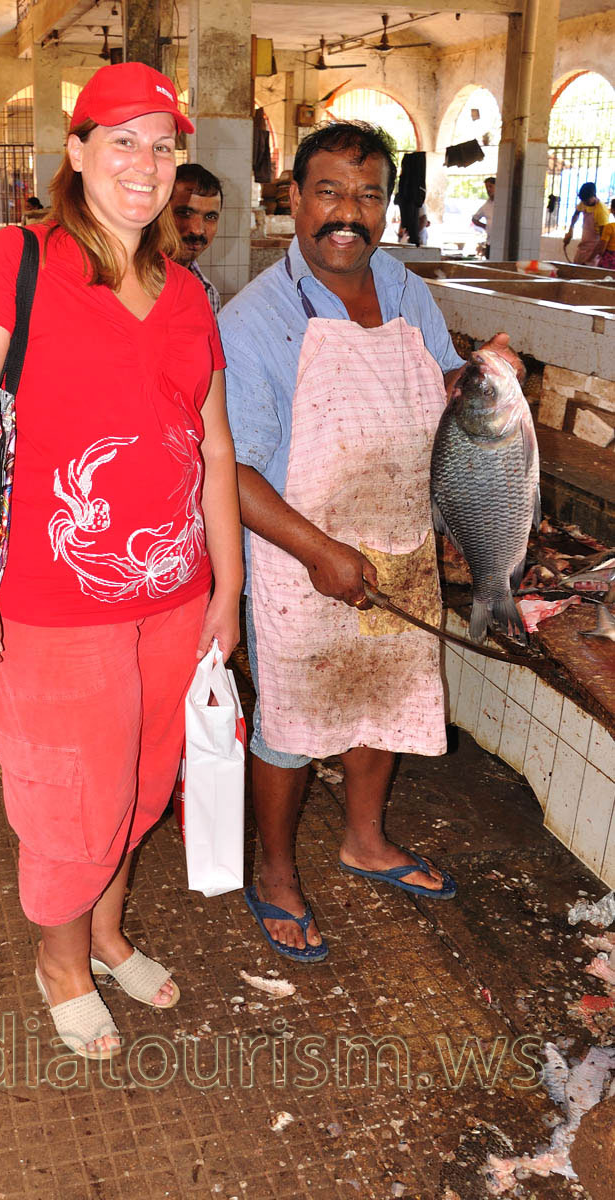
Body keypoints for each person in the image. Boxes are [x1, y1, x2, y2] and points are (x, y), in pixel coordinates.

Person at [0, 61, 242, 1058]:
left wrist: (226, 585)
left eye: (161, 144)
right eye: (120, 140)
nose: (144, 164)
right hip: (44, 605)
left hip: (171, 596)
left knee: (142, 786)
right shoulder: (10, 265)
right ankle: (57, 959)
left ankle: (103, 934)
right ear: (77, 152)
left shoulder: (186, 290)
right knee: (72, 796)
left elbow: (215, 449)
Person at [219, 121, 521, 962]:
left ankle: (363, 840)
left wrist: (483, 376)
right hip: (294, 555)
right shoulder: (254, 321)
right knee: (287, 723)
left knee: (382, 698)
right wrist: (317, 551)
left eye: (367, 195)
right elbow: (232, 470)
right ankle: (276, 874)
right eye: (327, 192)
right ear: (292, 201)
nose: (346, 214)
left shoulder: (399, 283)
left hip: (394, 536)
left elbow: (436, 388)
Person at [169, 163, 222, 315]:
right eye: (185, 213)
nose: (197, 230)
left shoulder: (208, 295)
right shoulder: (130, 285)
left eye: (210, 217)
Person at [564, 182, 609, 265]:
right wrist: (571, 229)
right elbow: (576, 214)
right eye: (583, 201)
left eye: (586, 200)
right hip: (584, 245)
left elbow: (603, 239)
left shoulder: (601, 210)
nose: (584, 203)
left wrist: (590, 259)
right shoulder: (584, 202)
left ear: (593, 196)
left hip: (595, 248)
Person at [472, 176, 495, 257]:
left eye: (490, 186)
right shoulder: (486, 205)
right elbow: (475, 219)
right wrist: (486, 226)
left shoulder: (503, 202)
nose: (488, 189)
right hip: (490, 242)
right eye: (486, 187)